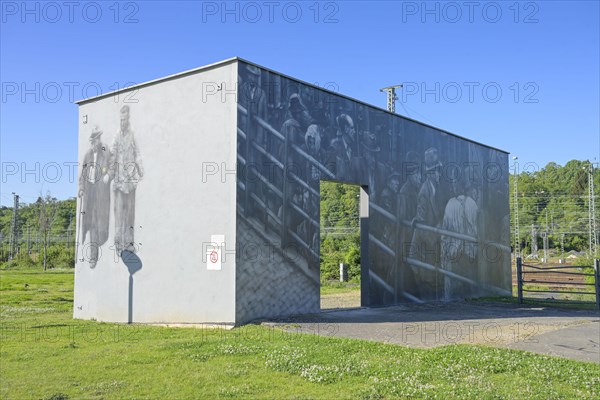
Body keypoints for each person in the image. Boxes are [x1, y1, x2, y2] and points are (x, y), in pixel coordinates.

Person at [409, 147, 444, 300]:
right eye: (437, 171)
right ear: (431, 173)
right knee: (427, 280)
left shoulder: (436, 188)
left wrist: (440, 224)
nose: (440, 174)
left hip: (431, 242)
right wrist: (437, 230)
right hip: (423, 247)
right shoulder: (424, 191)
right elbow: (422, 222)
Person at [441, 167, 480, 299]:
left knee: (452, 284)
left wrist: (444, 252)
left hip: (453, 251)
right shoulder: (473, 204)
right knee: (470, 284)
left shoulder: (449, 204)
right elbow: (476, 229)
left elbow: (444, 231)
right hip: (470, 252)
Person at [109, 105, 143, 254]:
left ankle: (128, 244)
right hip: (119, 181)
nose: (122, 122)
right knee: (119, 215)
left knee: (129, 214)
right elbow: (112, 153)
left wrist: (140, 170)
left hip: (130, 181)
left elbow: (138, 153)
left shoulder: (133, 134)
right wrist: (109, 172)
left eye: (125, 119)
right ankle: (118, 244)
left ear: (128, 119)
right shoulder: (117, 135)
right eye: (120, 120)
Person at [78, 126, 111, 268]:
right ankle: (92, 256)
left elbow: (113, 165)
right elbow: (83, 174)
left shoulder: (105, 152)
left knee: (98, 223)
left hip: (100, 192)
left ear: (99, 140)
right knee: (90, 223)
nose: (93, 144)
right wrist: (81, 188)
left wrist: (109, 175)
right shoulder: (88, 155)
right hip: (90, 192)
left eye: (95, 140)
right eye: (91, 141)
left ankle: (95, 254)